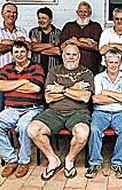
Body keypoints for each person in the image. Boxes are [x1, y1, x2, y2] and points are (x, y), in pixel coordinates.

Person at [27, 44, 94, 180]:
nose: (71, 57)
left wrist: (61, 89)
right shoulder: (54, 71)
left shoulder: (86, 73)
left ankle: (69, 159)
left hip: (78, 112)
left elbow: (85, 97)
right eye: (67, 54)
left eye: (74, 55)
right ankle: (53, 160)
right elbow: (48, 97)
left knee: (82, 133)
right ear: (62, 56)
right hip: (54, 111)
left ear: (79, 56)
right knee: (33, 130)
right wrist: (74, 88)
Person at [0, 41, 45, 178]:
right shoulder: (6, 68)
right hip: (11, 109)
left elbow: (36, 88)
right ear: (12, 54)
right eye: (16, 52)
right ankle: (11, 159)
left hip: (33, 108)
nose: (19, 55)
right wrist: (25, 81)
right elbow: (0, 86)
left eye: (22, 52)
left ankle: (24, 161)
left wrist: (11, 85)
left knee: (24, 126)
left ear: (28, 53)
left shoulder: (36, 67)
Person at [85, 48, 122, 179]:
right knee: (94, 129)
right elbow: (96, 99)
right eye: (110, 62)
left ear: (120, 62)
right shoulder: (98, 77)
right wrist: (119, 97)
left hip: (120, 113)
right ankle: (95, 162)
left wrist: (108, 93)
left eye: (116, 62)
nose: (113, 65)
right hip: (101, 112)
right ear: (105, 62)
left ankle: (118, 163)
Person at [0, 2, 30, 113]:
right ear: (2, 14)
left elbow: (28, 47)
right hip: (1, 70)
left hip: (18, 70)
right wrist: (16, 42)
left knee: (17, 98)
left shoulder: (22, 31)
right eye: (8, 12)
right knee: (0, 99)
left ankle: (14, 127)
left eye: (14, 12)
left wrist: (6, 43)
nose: (12, 14)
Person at [60, 1, 102, 75]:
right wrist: (85, 41)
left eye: (85, 11)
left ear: (90, 13)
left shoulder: (96, 26)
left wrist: (76, 42)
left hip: (90, 67)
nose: (83, 14)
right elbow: (62, 47)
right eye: (81, 11)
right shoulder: (69, 26)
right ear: (77, 12)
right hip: (70, 67)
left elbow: (96, 47)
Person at [29, 7, 62, 74]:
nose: (41, 21)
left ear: (50, 20)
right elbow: (32, 47)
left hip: (53, 70)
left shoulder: (58, 33)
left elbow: (58, 51)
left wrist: (38, 48)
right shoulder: (33, 32)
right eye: (39, 18)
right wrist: (51, 45)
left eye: (44, 18)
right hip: (36, 70)